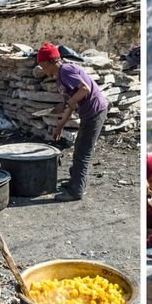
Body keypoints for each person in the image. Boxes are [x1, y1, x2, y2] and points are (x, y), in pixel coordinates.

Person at [36, 42, 109, 202]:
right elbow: (71, 104)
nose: (42, 69)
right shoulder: (61, 77)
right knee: (79, 150)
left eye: (42, 65)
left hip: (95, 112)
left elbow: (85, 89)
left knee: (83, 153)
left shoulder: (66, 70)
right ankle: (77, 182)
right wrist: (59, 126)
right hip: (89, 113)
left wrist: (68, 103)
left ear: (50, 62)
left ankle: (76, 191)